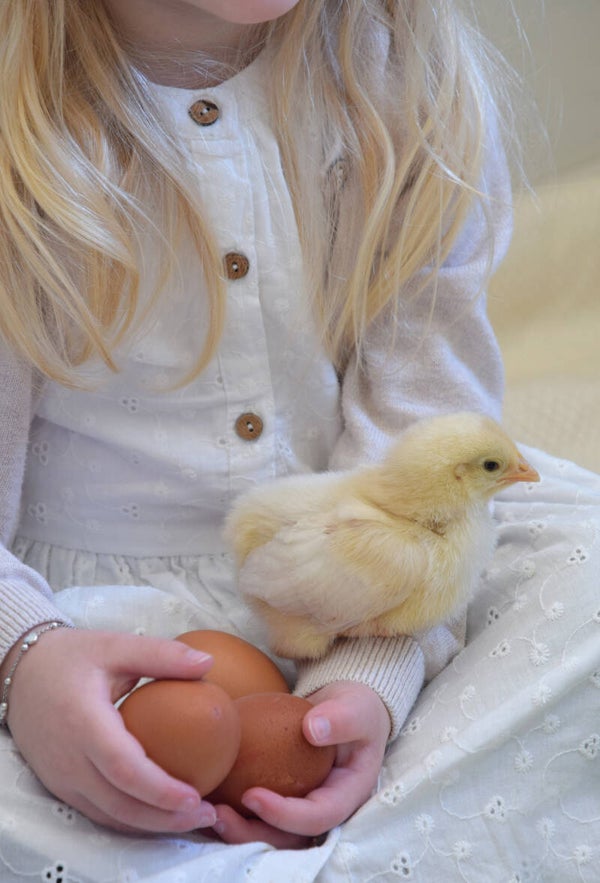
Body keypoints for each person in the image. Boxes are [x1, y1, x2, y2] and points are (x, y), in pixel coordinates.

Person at [0, 1, 598, 881]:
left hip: (374, 578)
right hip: (70, 624)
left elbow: (425, 433)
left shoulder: (400, 76)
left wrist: (372, 672)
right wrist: (27, 657)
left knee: (587, 578)